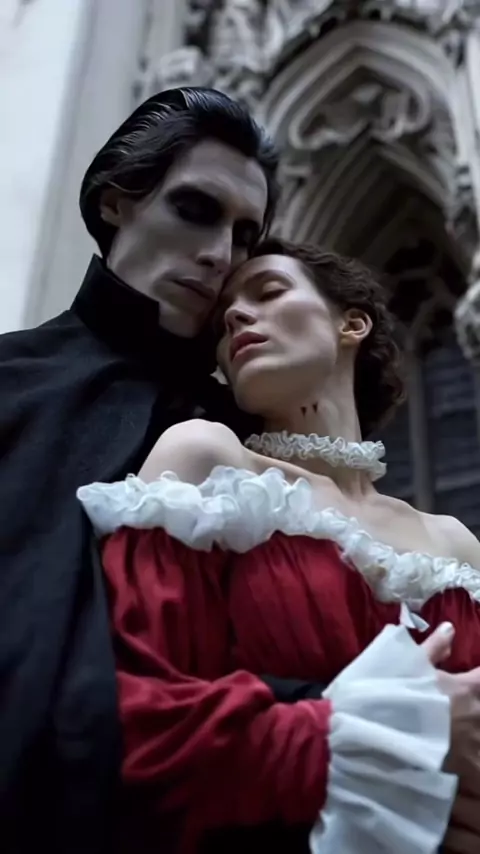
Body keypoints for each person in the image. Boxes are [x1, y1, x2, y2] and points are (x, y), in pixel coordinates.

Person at [79, 238, 480, 854]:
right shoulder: (207, 462)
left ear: (351, 324)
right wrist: (381, 739)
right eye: (222, 320)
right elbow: (137, 715)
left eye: (268, 291)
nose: (237, 316)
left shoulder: (454, 541)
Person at [0, 87, 279, 853]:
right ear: (117, 200)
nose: (221, 255)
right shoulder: (9, 383)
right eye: (196, 209)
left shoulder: (260, 437)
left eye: (246, 235)